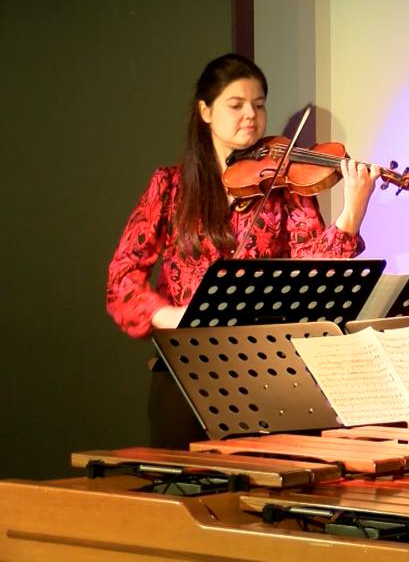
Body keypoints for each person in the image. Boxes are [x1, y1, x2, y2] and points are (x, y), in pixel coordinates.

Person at [106, 53, 380, 448]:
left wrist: (351, 215)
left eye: (259, 104)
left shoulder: (284, 190)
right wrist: (172, 316)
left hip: (264, 368)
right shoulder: (170, 187)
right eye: (236, 105)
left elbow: (312, 270)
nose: (250, 115)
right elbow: (121, 280)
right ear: (205, 111)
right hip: (186, 367)